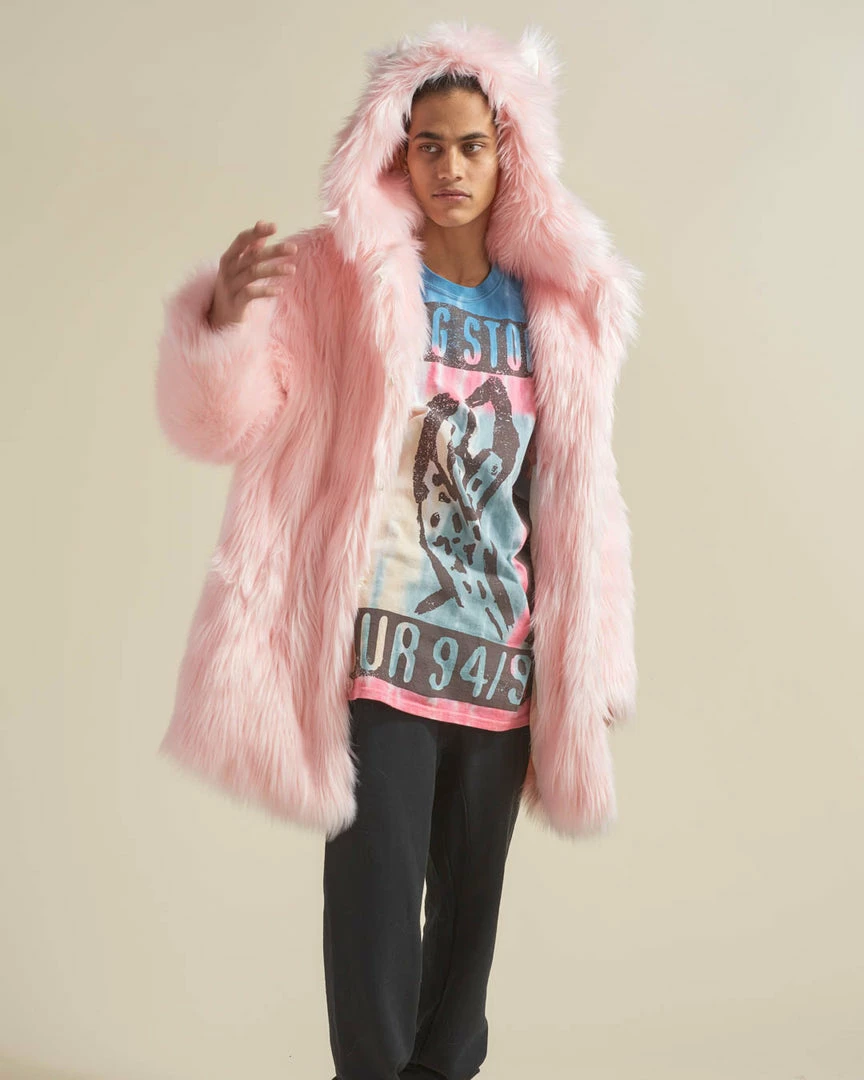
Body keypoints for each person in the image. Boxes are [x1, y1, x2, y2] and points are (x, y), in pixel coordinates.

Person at [154, 21, 641, 1080]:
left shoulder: (557, 309)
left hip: (502, 676)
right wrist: (224, 321)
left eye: (472, 145)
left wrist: (595, 657)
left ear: (509, 152)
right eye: (429, 145)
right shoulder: (343, 281)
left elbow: (584, 499)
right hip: (385, 662)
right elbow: (229, 421)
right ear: (397, 151)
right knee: (374, 952)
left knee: (459, 984)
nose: (450, 167)